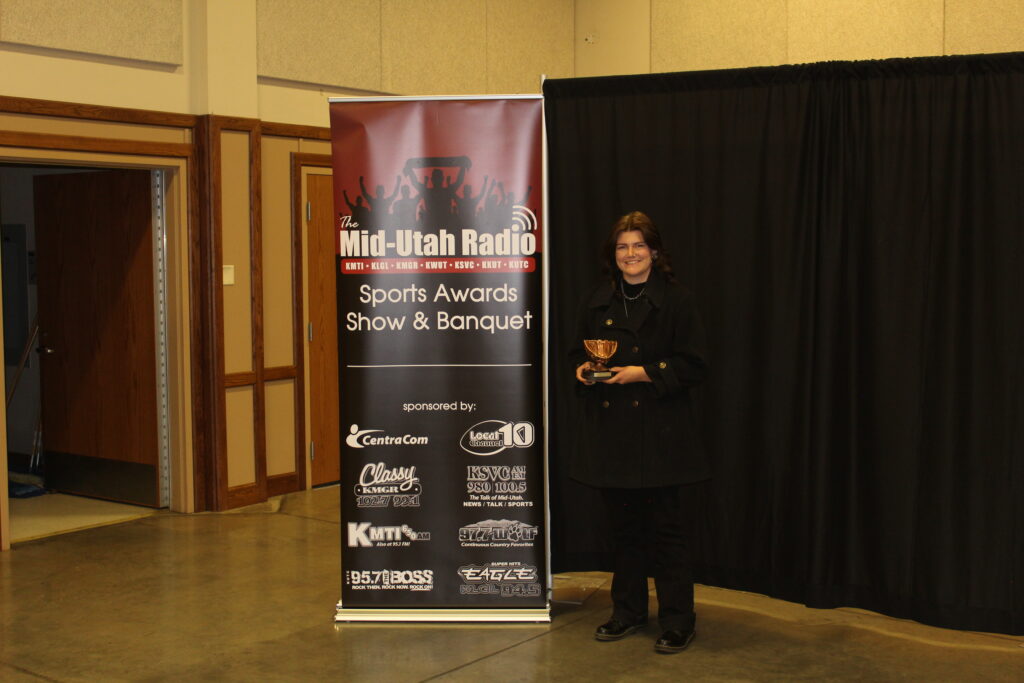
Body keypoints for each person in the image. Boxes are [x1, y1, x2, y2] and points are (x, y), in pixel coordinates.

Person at [569, 210, 709, 654]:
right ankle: (626, 612)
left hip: (661, 434)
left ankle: (678, 619)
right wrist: (583, 370)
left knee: (667, 532)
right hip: (612, 434)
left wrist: (642, 373)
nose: (630, 254)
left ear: (654, 251)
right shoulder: (596, 301)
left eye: (638, 246)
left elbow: (694, 365)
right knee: (624, 531)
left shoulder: (677, 301)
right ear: (613, 254)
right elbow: (576, 353)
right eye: (622, 247)